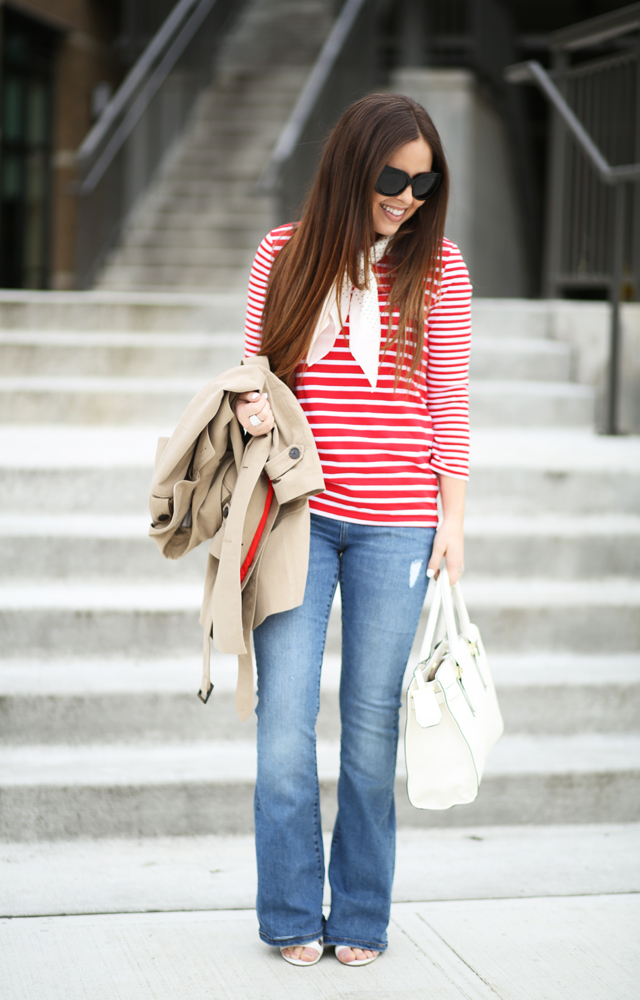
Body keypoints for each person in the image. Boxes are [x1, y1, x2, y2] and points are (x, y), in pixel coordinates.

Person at [234, 93, 471, 967]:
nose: (408, 195)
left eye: (424, 180)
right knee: (285, 732)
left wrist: (453, 521)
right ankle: (292, 911)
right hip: (296, 518)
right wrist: (255, 404)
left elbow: (447, 403)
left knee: (371, 732)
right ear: (350, 165)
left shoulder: (440, 266)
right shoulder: (282, 255)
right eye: (391, 177)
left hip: (400, 526)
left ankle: (362, 914)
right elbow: (250, 371)